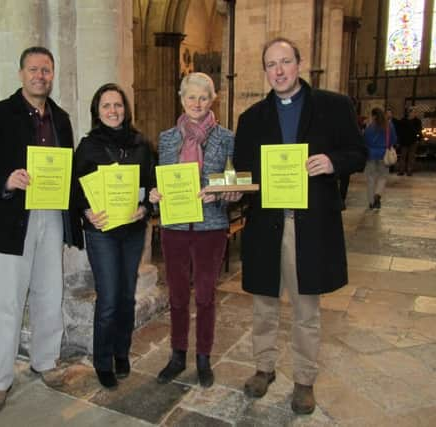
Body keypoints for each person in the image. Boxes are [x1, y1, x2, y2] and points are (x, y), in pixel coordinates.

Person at [233, 37, 366, 414]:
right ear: (265, 71)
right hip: (266, 225)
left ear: (299, 63)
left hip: (310, 225)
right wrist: (233, 189)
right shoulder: (251, 118)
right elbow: (244, 172)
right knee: (264, 303)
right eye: (271, 64)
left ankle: (304, 378)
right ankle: (264, 367)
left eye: (285, 62)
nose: (278, 70)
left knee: (306, 307)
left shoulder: (333, 106)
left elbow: (358, 153)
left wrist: (332, 162)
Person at [0, 46, 83, 413]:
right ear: (21, 74)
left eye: (46, 70)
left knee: (50, 293)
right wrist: (6, 179)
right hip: (10, 221)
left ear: (52, 75)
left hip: (50, 215)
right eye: (33, 69)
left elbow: (69, 169)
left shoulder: (61, 118)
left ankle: (45, 361)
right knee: (6, 303)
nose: (40, 76)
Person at [149, 72, 241, 388]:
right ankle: (177, 355)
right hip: (174, 225)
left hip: (210, 226)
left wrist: (225, 192)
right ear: (182, 99)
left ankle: (203, 357)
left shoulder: (226, 137)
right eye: (191, 97)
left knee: (204, 295)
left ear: (212, 99)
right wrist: (156, 195)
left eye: (203, 97)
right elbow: (159, 179)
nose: (197, 103)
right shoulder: (167, 138)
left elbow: (235, 183)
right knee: (176, 295)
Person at [74, 83, 155, 389]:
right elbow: (75, 190)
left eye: (118, 105)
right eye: (106, 106)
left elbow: (151, 184)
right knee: (108, 299)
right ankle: (102, 360)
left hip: (132, 231)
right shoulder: (88, 147)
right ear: (97, 111)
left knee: (126, 296)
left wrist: (145, 208)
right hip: (102, 232)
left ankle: (122, 352)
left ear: (126, 109)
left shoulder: (141, 145)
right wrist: (86, 211)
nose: (113, 111)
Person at [364, 108, 397, 209]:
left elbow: (365, 140)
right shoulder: (389, 126)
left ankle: (371, 202)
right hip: (384, 155)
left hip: (371, 155)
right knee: (382, 177)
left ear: (373, 116)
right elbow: (394, 139)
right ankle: (377, 195)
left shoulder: (370, 127)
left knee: (371, 178)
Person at [397, 106, 423, 176]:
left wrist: (419, 139)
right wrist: (399, 140)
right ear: (409, 112)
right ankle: (401, 171)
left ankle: (409, 171)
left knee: (411, 157)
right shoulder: (403, 120)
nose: (415, 113)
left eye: (415, 112)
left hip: (413, 141)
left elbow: (419, 131)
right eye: (414, 111)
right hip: (404, 141)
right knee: (403, 156)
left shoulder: (417, 121)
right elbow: (400, 131)